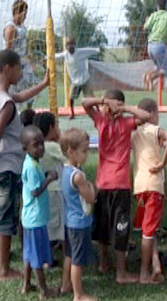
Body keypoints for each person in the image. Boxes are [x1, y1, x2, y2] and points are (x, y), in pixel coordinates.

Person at [0, 49, 49, 281]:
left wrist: (44, 84)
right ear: (7, 68)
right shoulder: (7, 105)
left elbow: (20, 96)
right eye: (19, 68)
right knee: (7, 218)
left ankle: (21, 261)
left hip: (2, 166)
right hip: (6, 167)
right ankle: (3, 269)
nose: (21, 72)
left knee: (13, 215)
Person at [82, 90, 151, 284]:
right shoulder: (101, 121)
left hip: (115, 184)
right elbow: (85, 102)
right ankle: (110, 265)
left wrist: (123, 109)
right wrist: (105, 101)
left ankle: (118, 269)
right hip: (111, 185)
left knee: (116, 227)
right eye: (108, 106)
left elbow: (147, 116)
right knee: (108, 226)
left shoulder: (126, 123)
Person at [131, 98, 167, 284]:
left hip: (139, 186)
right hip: (154, 185)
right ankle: (144, 273)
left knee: (149, 227)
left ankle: (156, 265)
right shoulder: (154, 130)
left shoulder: (133, 133)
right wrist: (163, 162)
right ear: (154, 114)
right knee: (148, 231)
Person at [20, 125, 59, 298]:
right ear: (25, 148)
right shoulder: (31, 167)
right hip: (35, 220)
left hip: (30, 218)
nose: (41, 148)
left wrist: (46, 173)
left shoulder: (33, 162)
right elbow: (36, 191)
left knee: (29, 254)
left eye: (42, 143)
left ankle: (27, 284)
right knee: (36, 258)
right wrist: (49, 179)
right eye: (36, 145)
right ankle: (44, 290)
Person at [60, 128, 98, 301]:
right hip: (80, 223)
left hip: (70, 221)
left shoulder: (64, 170)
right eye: (84, 151)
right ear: (71, 152)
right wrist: (91, 185)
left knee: (69, 254)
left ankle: (66, 283)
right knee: (78, 260)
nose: (87, 154)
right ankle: (78, 294)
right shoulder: (78, 176)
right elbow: (91, 198)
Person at [33, 111, 68, 266]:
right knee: (61, 226)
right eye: (57, 126)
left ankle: (48, 258)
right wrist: (61, 138)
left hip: (44, 191)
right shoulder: (52, 146)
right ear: (51, 127)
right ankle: (68, 254)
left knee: (47, 224)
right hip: (55, 191)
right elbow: (70, 158)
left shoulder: (36, 148)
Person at [55, 34, 98, 119]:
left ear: (75, 45)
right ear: (66, 46)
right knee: (71, 97)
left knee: (91, 98)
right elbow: (57, 55)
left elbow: (90, 50)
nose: (70, 47)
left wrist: (97, 50)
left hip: (85, 79)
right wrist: (48, 56)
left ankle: (98, 111)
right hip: (75, 81)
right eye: (68, 45)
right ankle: (72, 113)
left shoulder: (80, 52)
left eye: (72, 45)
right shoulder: (65, 55)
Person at [3, 0, 35, 109]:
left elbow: (24, 47)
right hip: (15, 65)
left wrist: (29, 59)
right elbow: (9, 51)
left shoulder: (23, 28)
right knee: (13, 95)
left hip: (24, 64)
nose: (25, 16)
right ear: (17, 12)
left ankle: (29, 113)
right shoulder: (11, 28)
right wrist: (15, 68)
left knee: (30, 91)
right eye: (24, 13)